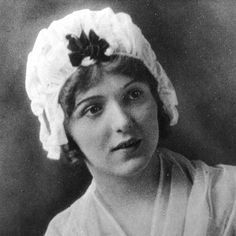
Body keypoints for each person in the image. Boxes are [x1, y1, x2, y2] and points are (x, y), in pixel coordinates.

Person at [25, 7, 236, 236]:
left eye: (134, 95)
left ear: (157, 98)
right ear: (63, 130)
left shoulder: (226, 196)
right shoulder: (65, 232)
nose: (123, 122)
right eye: (93, 109)